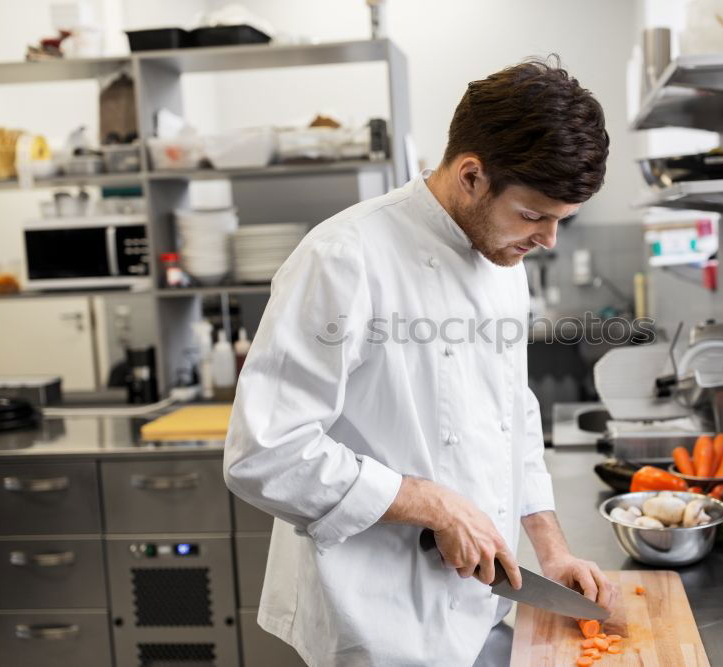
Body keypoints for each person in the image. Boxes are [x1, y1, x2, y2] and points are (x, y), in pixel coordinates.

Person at [224, 57, 616, 667]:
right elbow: (264, 453)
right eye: (535, 215)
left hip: (483, 608)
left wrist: (552, 548)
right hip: (375, 619)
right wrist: (431, 502)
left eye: (562, 221)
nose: (549, 242)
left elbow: (513, 410)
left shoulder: (503, 260)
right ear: (470, 175)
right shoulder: (342, 258)